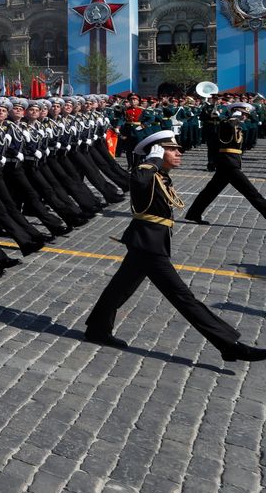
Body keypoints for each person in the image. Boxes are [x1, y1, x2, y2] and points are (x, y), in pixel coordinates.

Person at [83, 130, 266, 362]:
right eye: (172, 149)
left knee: (120, 287)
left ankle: (97, 329)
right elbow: (138, 182)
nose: (179, 152)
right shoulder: (146, 172)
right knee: (182, 296)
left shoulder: (160, 175)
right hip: (149, 245)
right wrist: (153, 160)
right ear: (158, 151)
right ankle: (229, 344)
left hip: (148, 242)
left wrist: (158, 164)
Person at [184, 103, 266, 225]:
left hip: (229, 163)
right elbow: (217, 138)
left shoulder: (237, 125)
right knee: (252, 193)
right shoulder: (227, 123)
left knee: (210, 191)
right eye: (244, 114)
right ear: (237, 112)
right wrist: (234, 117)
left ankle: (193, 213)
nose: (246, 117)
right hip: (229, 164)